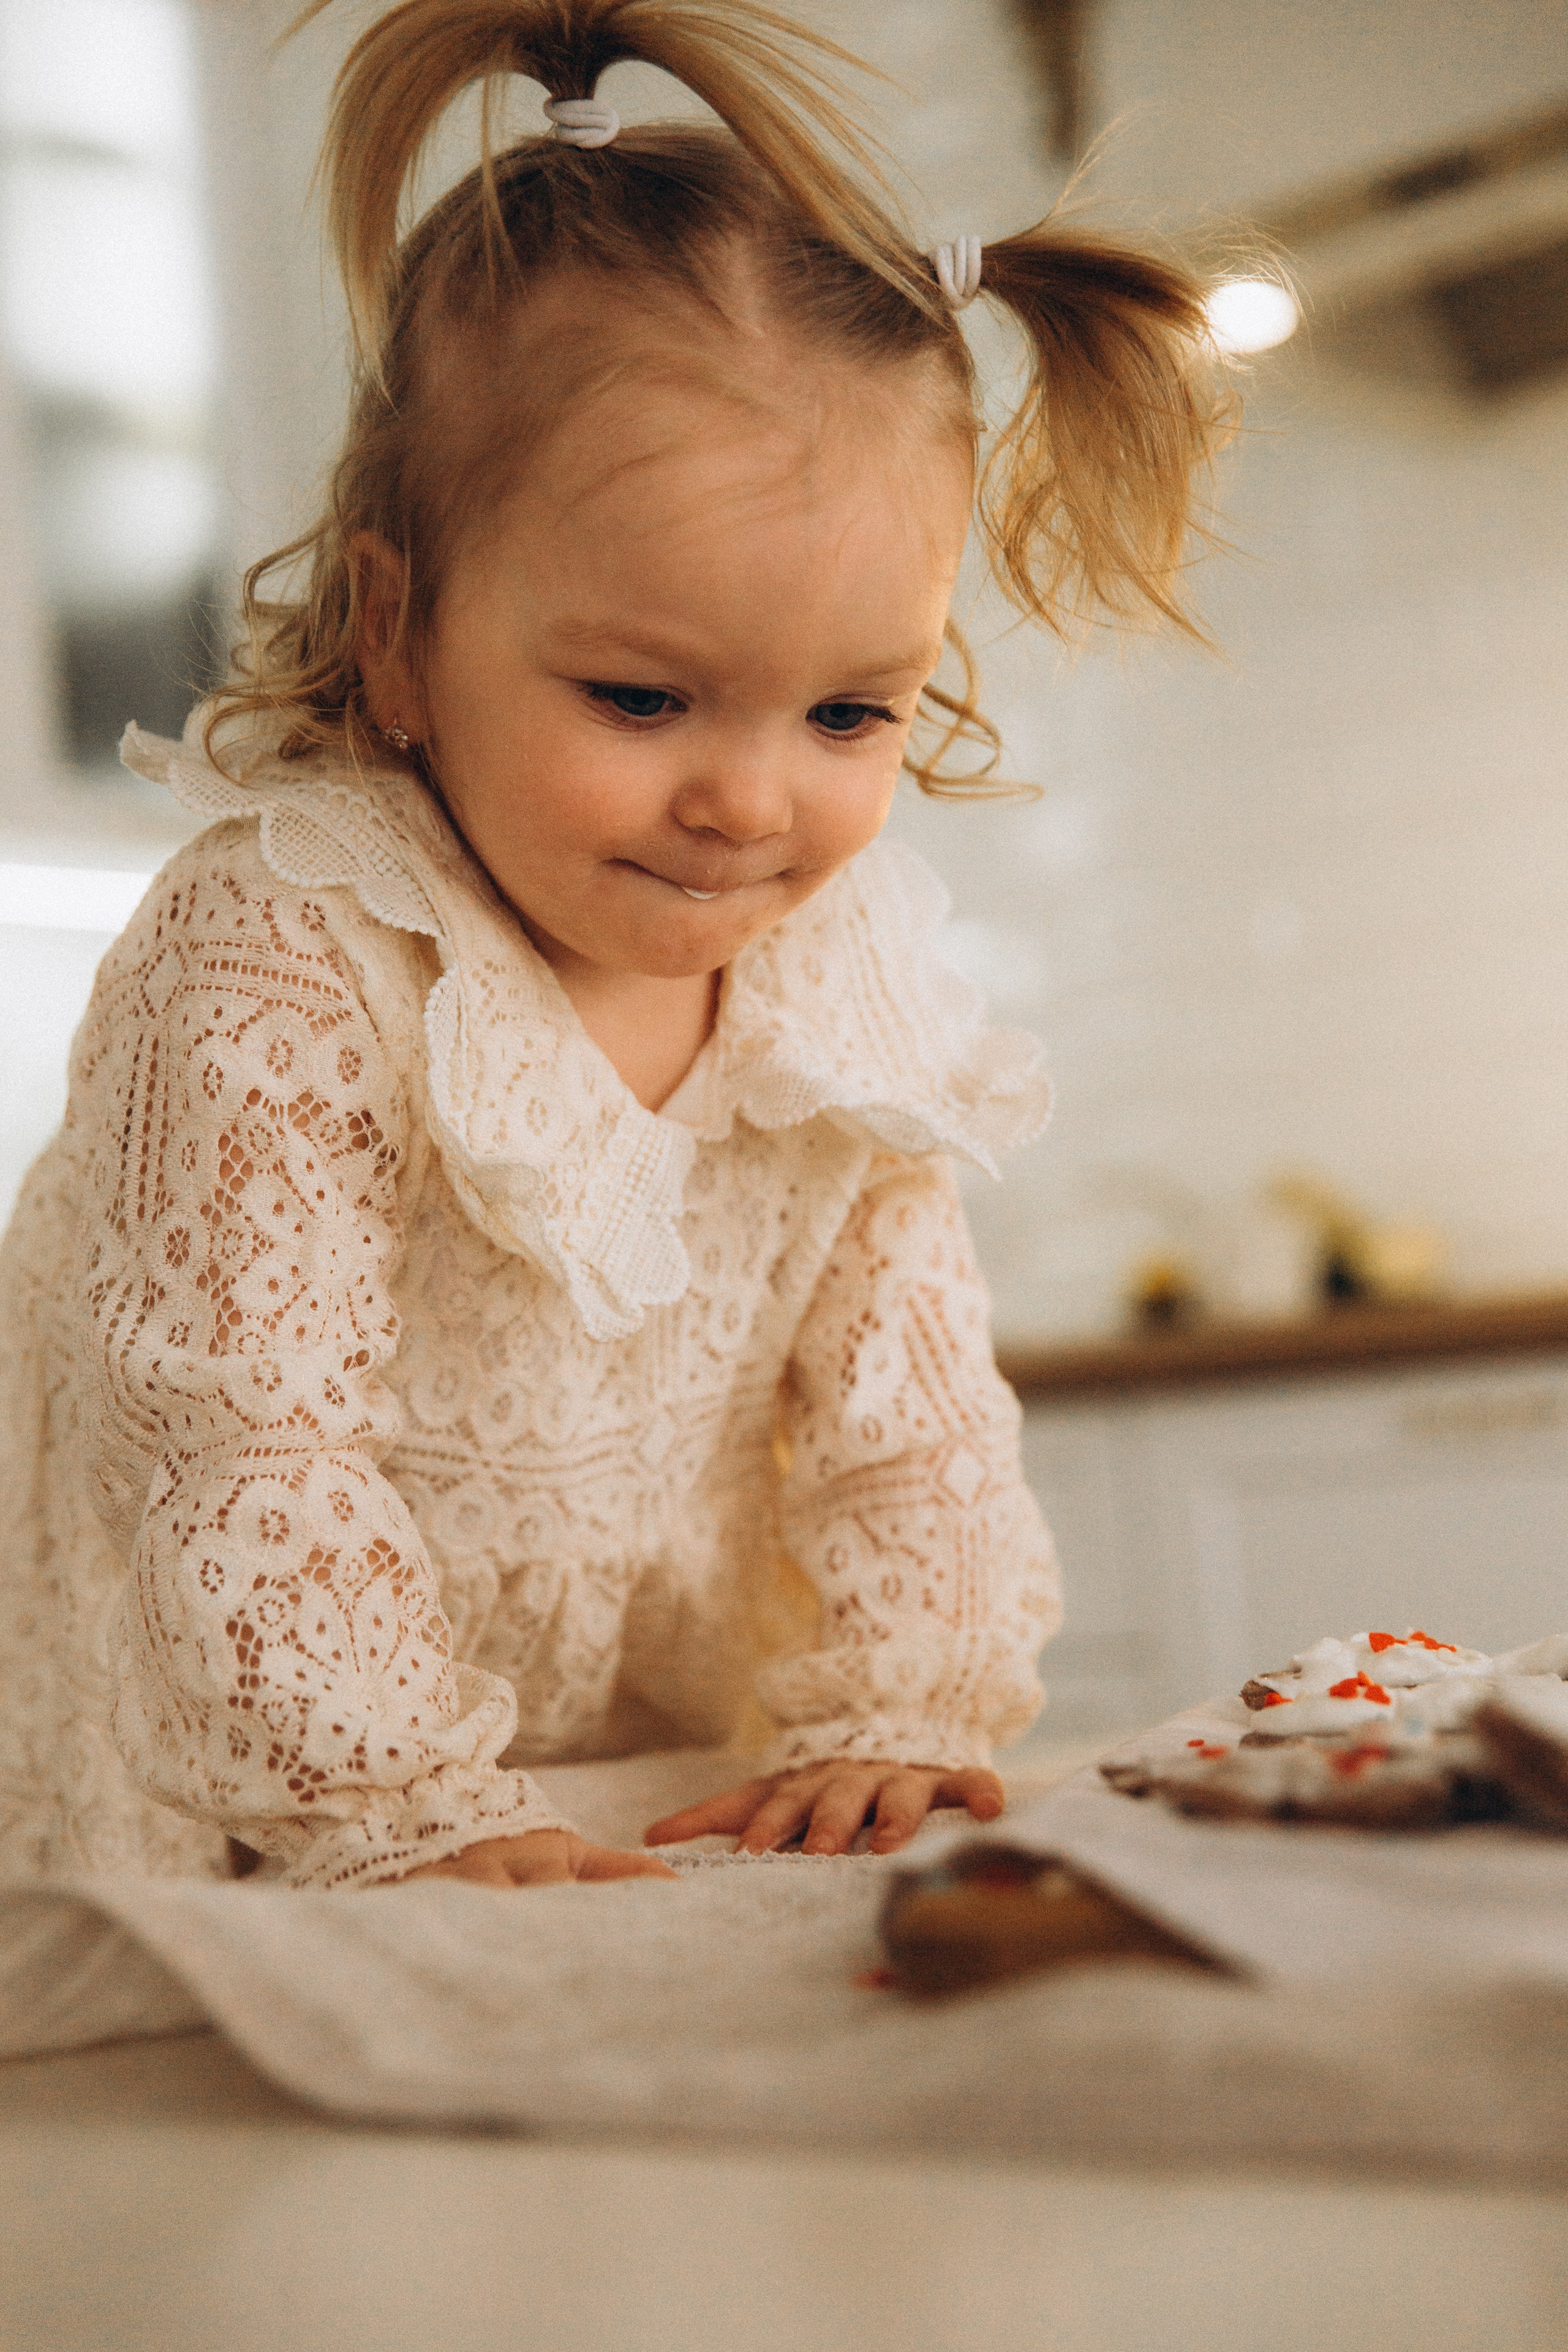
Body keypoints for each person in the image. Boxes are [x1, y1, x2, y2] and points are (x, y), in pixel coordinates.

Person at [0, 0, 1232, 1891]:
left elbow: (914, 1417)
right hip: (221, 1818)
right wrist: (385, 1808)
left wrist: (905, 1702)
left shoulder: (846, 990)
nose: (752, 802)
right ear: (399, 633)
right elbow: (239, 1444)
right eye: (647, 698)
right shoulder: (284, 954)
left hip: (629, 1796)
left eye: (848, 716)